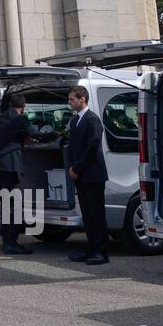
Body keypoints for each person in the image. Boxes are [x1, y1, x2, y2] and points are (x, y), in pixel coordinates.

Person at [0, 93, 36, 255]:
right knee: (15, 204)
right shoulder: (20, 118)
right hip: (10, 166)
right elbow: (35, 134)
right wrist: (54, 134)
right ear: (23, 106)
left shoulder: (2, 118)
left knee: (5, 204)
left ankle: (6, 241)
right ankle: (11, 243)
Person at [66, 86, 109, 265]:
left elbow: (92, 146)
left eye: (72, 99)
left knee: (96, 213)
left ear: (83, 98)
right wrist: (71, 166)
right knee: (87, 214)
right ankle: (91, 248)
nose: (70, 102)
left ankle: (101, 252)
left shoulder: (93, 120)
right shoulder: (75, 120)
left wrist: (77, 167)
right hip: (81, 174)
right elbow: (73, 146)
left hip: (92, 174)